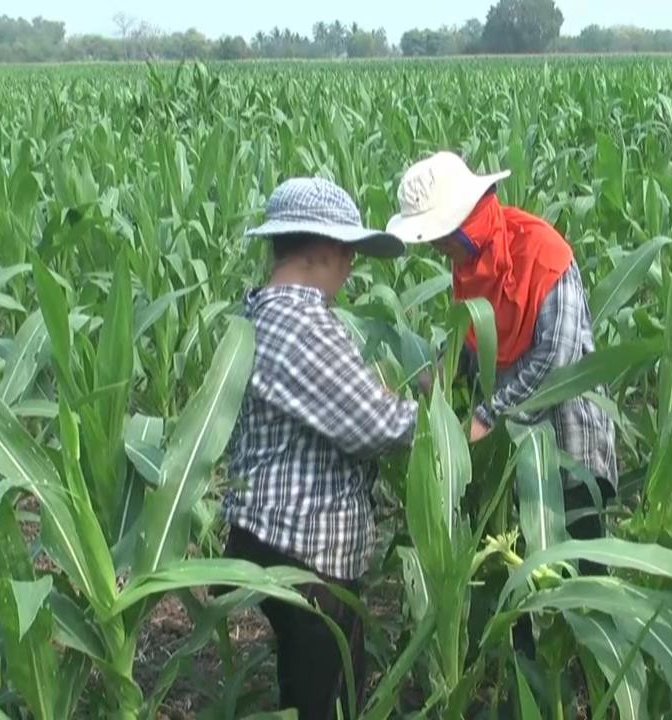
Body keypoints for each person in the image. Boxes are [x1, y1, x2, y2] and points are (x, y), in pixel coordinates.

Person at [220, 177, 416, 719]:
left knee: (323, 678)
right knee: (320, 693)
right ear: (327, 248)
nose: (351, 268)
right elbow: (375, 425)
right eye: (350, 253)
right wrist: (449, 420)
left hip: (272, 530)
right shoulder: (300, 322)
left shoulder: (262, 311)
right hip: (306, 543)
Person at [386, 150, 619, 543]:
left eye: (440, 241)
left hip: (566, 440)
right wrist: (443, 372)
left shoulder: (543, 254)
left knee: (581, 561)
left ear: (462, 226)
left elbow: (555, 362)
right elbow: (476, 335)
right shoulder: (471, 263)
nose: (437, 251)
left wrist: (488, 416)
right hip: (513, 453)